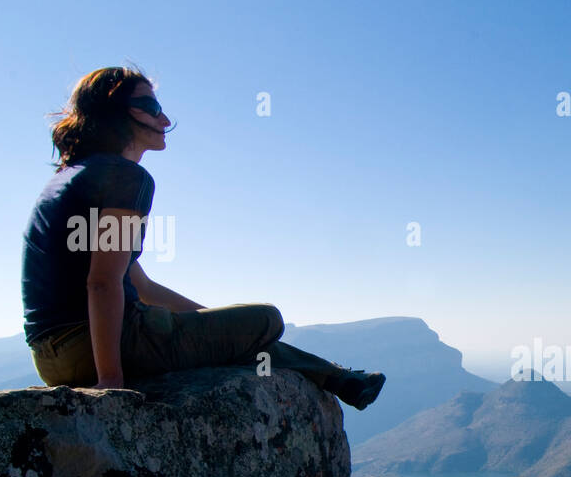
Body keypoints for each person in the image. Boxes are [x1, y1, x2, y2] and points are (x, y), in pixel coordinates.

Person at [21, 66, 385, 411]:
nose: (164, 120)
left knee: (236, 335)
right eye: (150, 106)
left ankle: (341, 379)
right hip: (95, 346)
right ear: (114, 112)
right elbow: (102, 283)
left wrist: (208, 322)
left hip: (53, 357)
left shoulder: (74, 177)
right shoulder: (125, 178)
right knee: (266, 321)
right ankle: (340, 377)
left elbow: (139, 283)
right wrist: (110, 381)